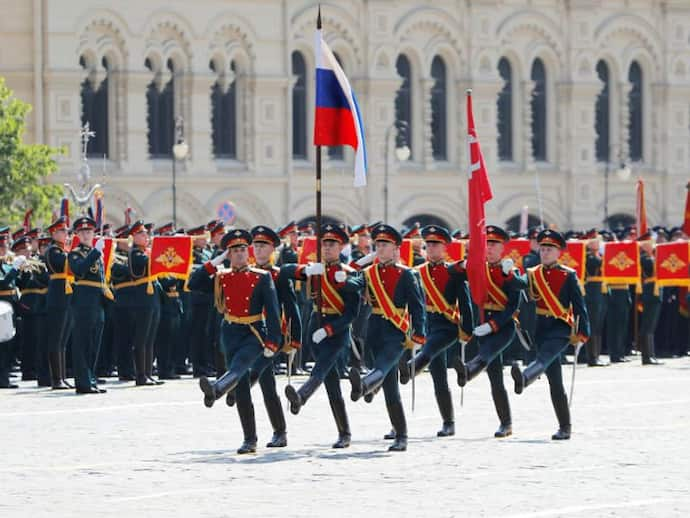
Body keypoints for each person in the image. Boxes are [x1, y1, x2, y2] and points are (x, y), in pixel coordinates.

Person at [190, 229, 281, 454]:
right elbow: (194, 283)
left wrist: (273, 341)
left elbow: (273, 310)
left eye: (242, 250)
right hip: (230, 331)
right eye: (234, 251)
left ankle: (217, 388)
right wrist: (214, 263)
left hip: (253, 331)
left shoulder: (261, 276)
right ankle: (249, 439)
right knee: (241, 389)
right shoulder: (222, 276)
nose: (240, 254)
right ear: (228, 254)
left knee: (240, 367)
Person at [283, 224, 363, 448]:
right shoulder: (315, 269)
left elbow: (351, 315)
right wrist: (306, 271)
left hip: (336, 332)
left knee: (322, 367)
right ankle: (344, 432)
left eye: (332, 244)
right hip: (315, 327)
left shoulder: (348, 274)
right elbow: (285, 271)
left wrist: (329, 330)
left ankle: (301, 396)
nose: (327, 248)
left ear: (341, 247)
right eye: (325, 244)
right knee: (332, 386)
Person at [349, 224, 426, 452]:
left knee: (383, 368)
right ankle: (400, 433)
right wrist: (345, 278)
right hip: (374, 331)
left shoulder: (406, 274)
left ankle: (364, 385)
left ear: (396, 249)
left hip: (396, 333)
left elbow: (417, 306)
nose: (380, 249)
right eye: (378, 245)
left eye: (385, 245)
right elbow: (355, 284)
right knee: (391, 388)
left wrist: (419, 332)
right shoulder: (368, 272)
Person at [511, 229, 590, 440]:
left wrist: (583, 332)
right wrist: (507, 272)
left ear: (558, 252)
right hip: (541, 328)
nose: (545, 253)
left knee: (544, 357)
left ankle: (526, 377)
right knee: (555, 382)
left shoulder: (568, 275)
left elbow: (580, 306)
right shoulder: (532, 272)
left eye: (549, 250)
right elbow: (519, 285)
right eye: (543, 249)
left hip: (561, 327)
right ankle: (565, 426)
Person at [398, 225, 473, 437]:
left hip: (447, 324)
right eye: (428, 244)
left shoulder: (453, 272)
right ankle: (448, 422)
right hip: (425, 325)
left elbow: (465, 303)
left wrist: (467, 330)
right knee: (438, 376)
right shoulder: (416, 272)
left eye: (435, 244)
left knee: (429, 351)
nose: (430, 248)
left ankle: (412, 369)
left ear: (445, 247)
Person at [68, 216, 113, 394]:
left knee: (95, 342)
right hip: (84, 301)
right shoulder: (75, 253)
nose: (87, 234)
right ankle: (83, 382)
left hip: (97, 300)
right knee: (83, 342)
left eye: (89, 231)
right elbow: (78, 270)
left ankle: (91, 378)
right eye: (83, 231)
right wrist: (95, 252)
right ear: (77, 234)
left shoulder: (97, 253)